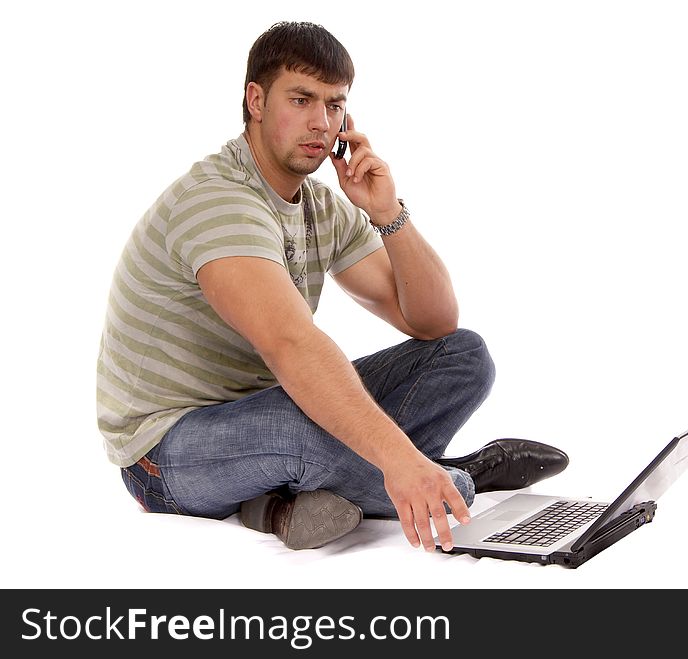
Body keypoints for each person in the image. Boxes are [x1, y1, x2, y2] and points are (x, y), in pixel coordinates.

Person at [96, 21, 569, 554]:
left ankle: (282, 497)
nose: (320, 122)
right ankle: (458, 479)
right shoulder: (218, 202)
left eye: (335, 104)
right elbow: (292, 346)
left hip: (270, 407)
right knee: (303, 428)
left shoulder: (319, 206)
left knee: (463, 356)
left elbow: (432, 322)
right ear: (256, 100)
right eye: (300, 99)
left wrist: (388, 212)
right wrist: (399, 459)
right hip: (166, 453)